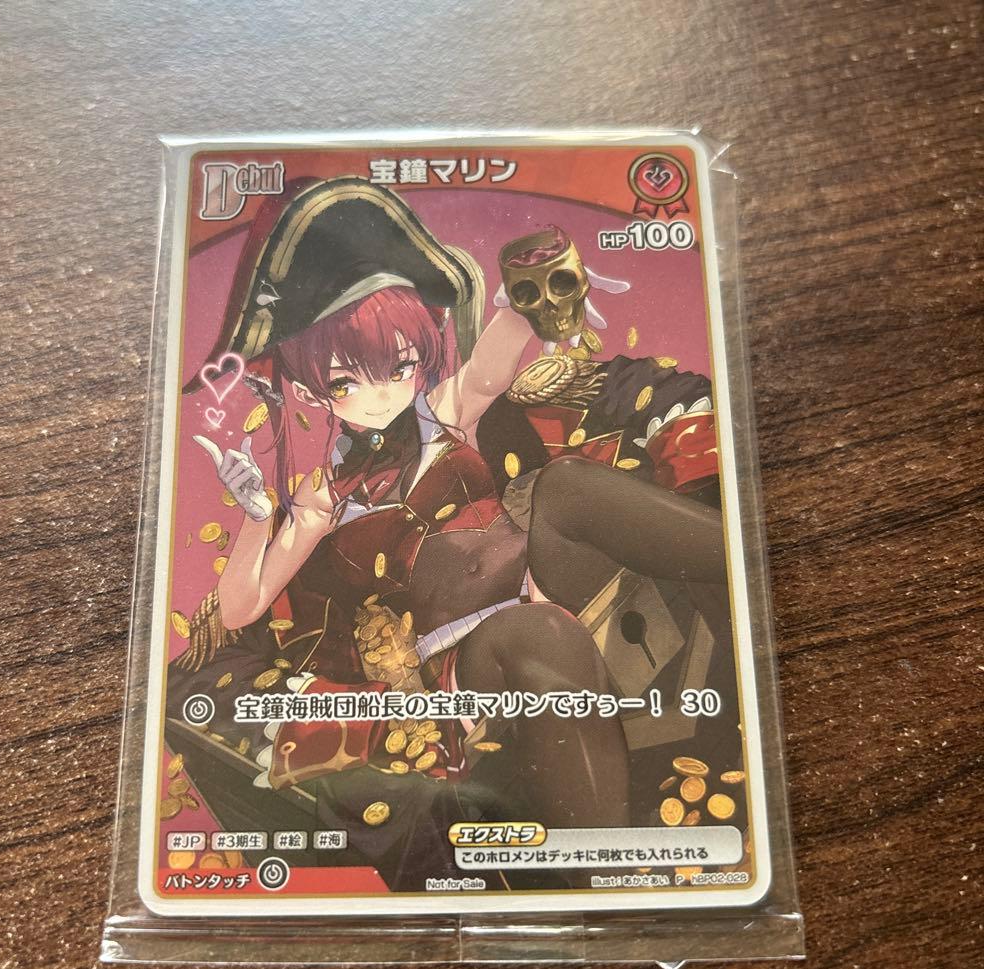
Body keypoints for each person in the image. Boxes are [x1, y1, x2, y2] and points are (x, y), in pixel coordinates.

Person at [173, 179, 725, 887]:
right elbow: (242, 608)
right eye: (348, 382)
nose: (382, 393)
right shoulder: (325, 498)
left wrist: (525, 296)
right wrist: (258, 521)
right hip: (471, 655)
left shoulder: (440, 414)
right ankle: (610, 877)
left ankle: (743, 564)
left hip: (546, 573)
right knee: (536, 633)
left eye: (399, 366)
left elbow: (490, 370)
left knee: (566, 486)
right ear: (312, 393)